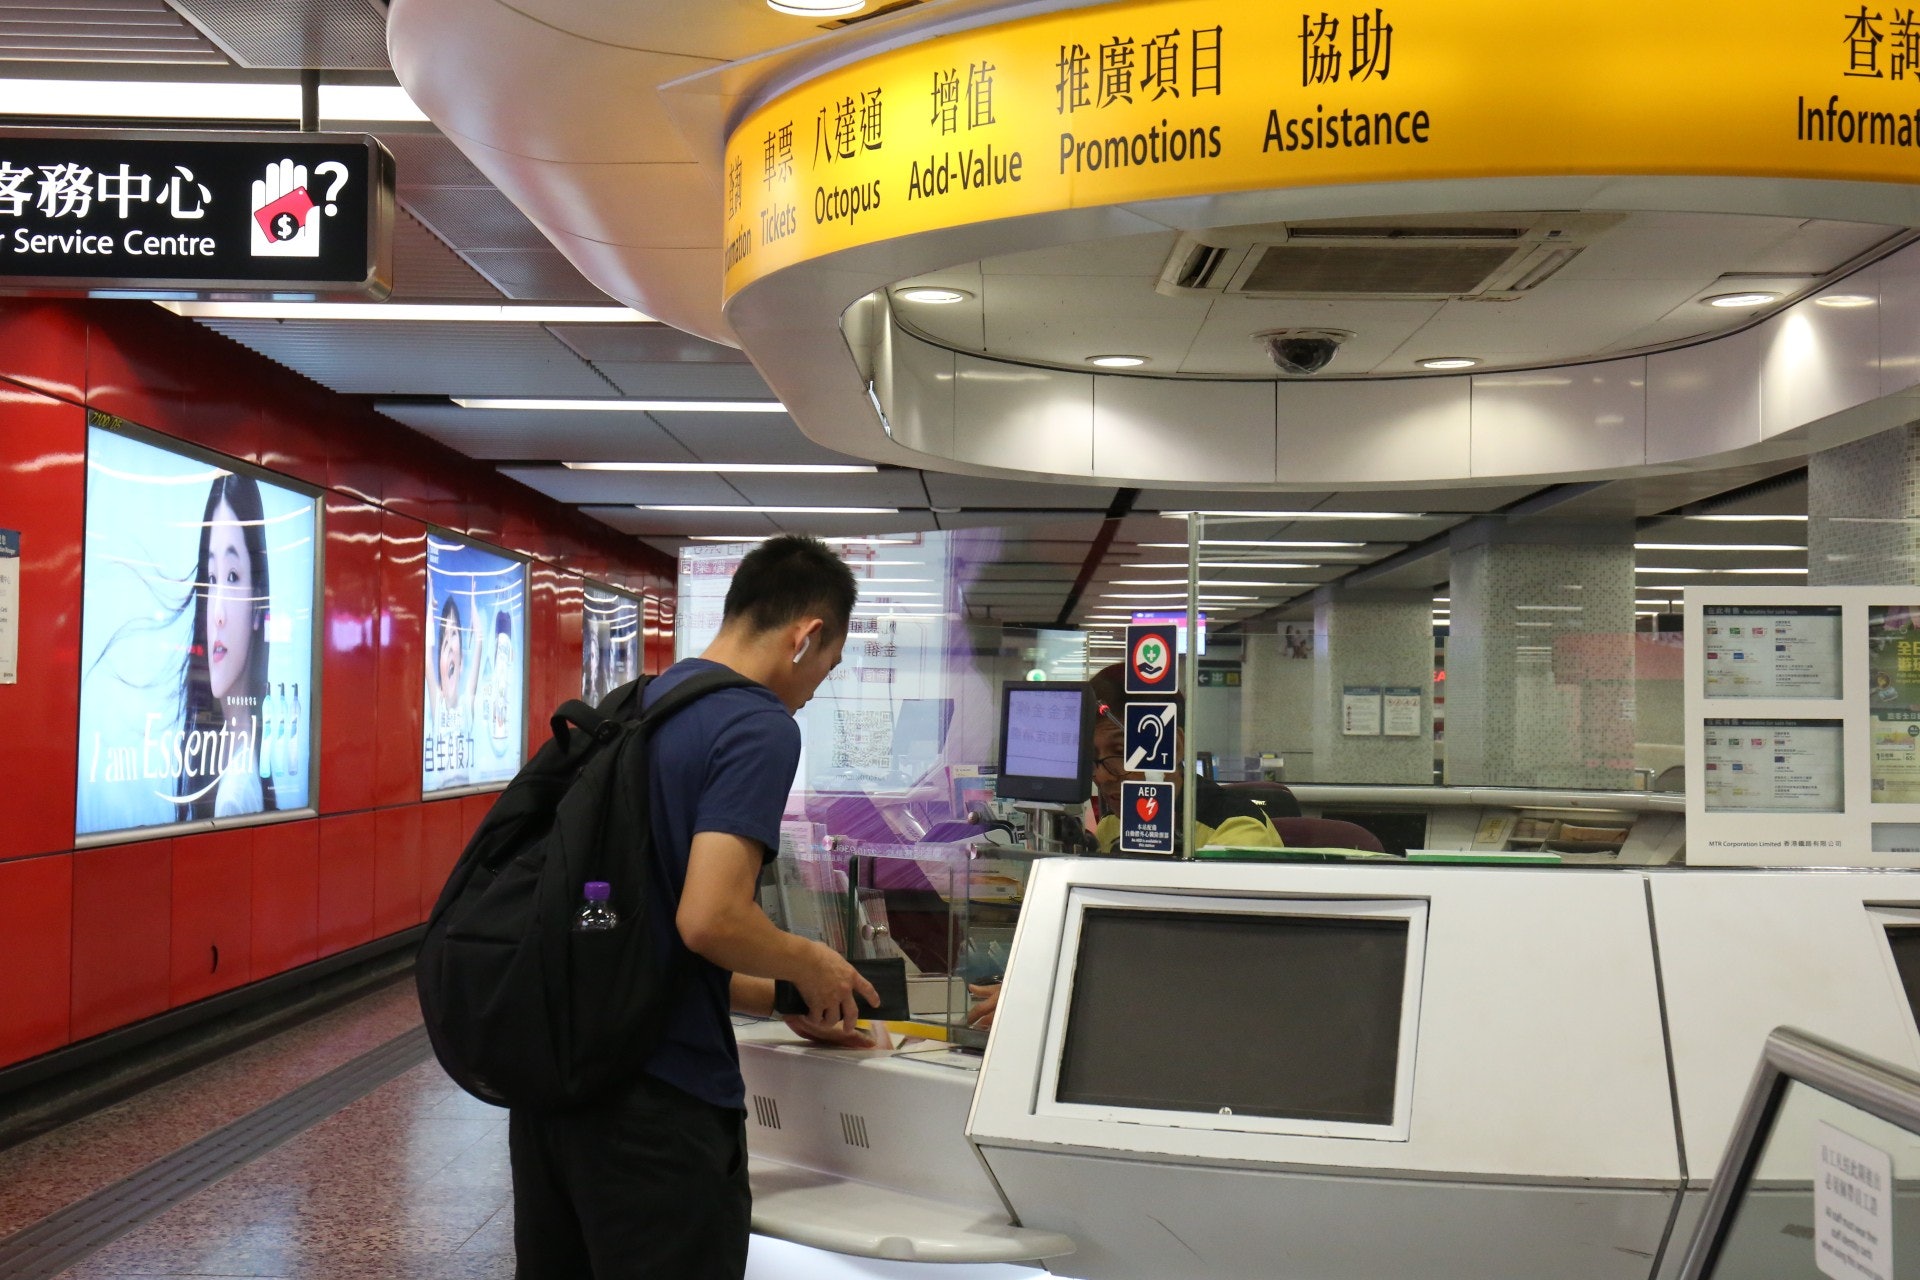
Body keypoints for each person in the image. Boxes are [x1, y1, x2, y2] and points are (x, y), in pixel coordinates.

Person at [509, 533, 882, 1280]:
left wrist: (784, 992)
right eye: (828, 668)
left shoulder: (637, 706)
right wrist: (814, 959)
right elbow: (710, 919)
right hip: (660, 1112)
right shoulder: (757, 723)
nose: (816, 690)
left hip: (558, 1091)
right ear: (807, 636)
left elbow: (646, 937)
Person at [966, 662, 1283, 1030]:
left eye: (1119, 753)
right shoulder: (1114, 826)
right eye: (1092, 757)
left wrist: (1044, 995)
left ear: (1172, 746)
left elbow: (1197, 961)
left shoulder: (1236, 830)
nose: (1101, 774)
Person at [179, 472, 276, 821]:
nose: (216, 613)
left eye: (233, 577)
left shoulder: (233, 799)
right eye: (212, 579)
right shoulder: (242, 761)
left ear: (257, 603)